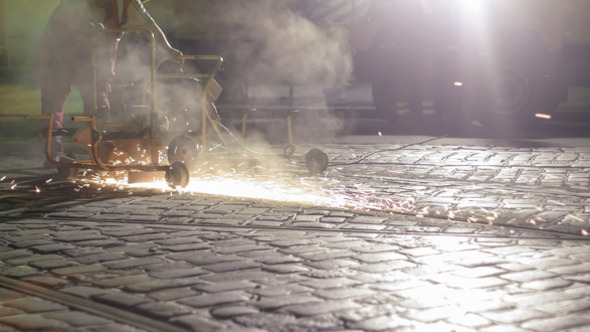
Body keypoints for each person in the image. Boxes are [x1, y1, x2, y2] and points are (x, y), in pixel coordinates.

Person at [36, 0, 183, 160]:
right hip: (58, 53)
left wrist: (168, 50)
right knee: (52, 105)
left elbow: (150, 28)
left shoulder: (127, 3)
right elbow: (58, 29)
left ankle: (103, 157)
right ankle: (53, 156)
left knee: (99, 109)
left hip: (98, 60)